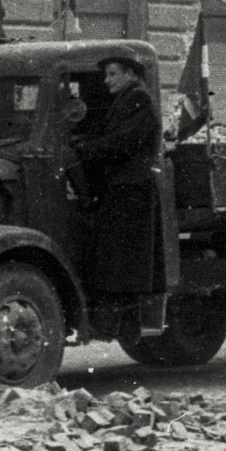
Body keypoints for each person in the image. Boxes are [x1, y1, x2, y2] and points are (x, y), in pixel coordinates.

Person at [70, 55, 165, 336]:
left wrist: (87, 150)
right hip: (123, 186)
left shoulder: (140, 101)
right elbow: (109, 135)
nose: (106, 80)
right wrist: (85, 143)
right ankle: (124, 323)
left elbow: (124, 141)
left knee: (127, 259)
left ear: (131, 75)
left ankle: (128, 324)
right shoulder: (126, 100)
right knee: (119, 257)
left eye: (112, 74)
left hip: (132, 188)